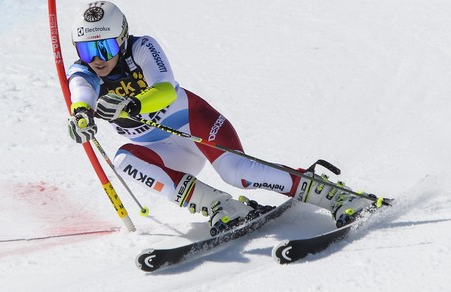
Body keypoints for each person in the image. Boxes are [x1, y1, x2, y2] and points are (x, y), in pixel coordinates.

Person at [66, 1, 374, 234]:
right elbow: (82, 94)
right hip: (164, 150)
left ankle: (337, 196)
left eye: (104, 48)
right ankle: (220, 206)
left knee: (236, 171)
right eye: (85, 50)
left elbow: (165, 89)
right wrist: (81, 118)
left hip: (192, 122)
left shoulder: (142, 47)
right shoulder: (84, 72)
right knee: (124, 161)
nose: (96, 60)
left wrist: (132, 105)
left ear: (120, 39)